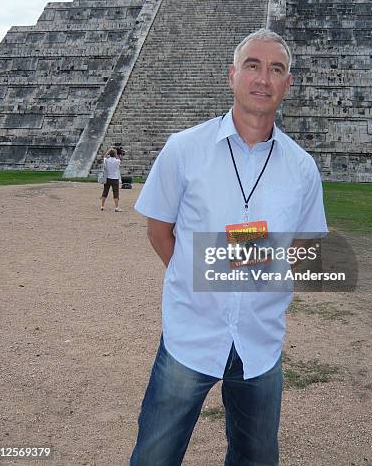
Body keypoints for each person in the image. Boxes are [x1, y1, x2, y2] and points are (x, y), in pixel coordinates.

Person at [130, 29, 328, 465]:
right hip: (191, 334)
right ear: (232, 75)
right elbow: (159, 232)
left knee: (255, 457)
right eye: (253, 66)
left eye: (276, 69)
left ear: (287, 84)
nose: (263, 78)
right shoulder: (184, 149)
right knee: (155, 454)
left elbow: (303, 249)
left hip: (260, 342)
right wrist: (200, 278)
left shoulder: (301, 168)